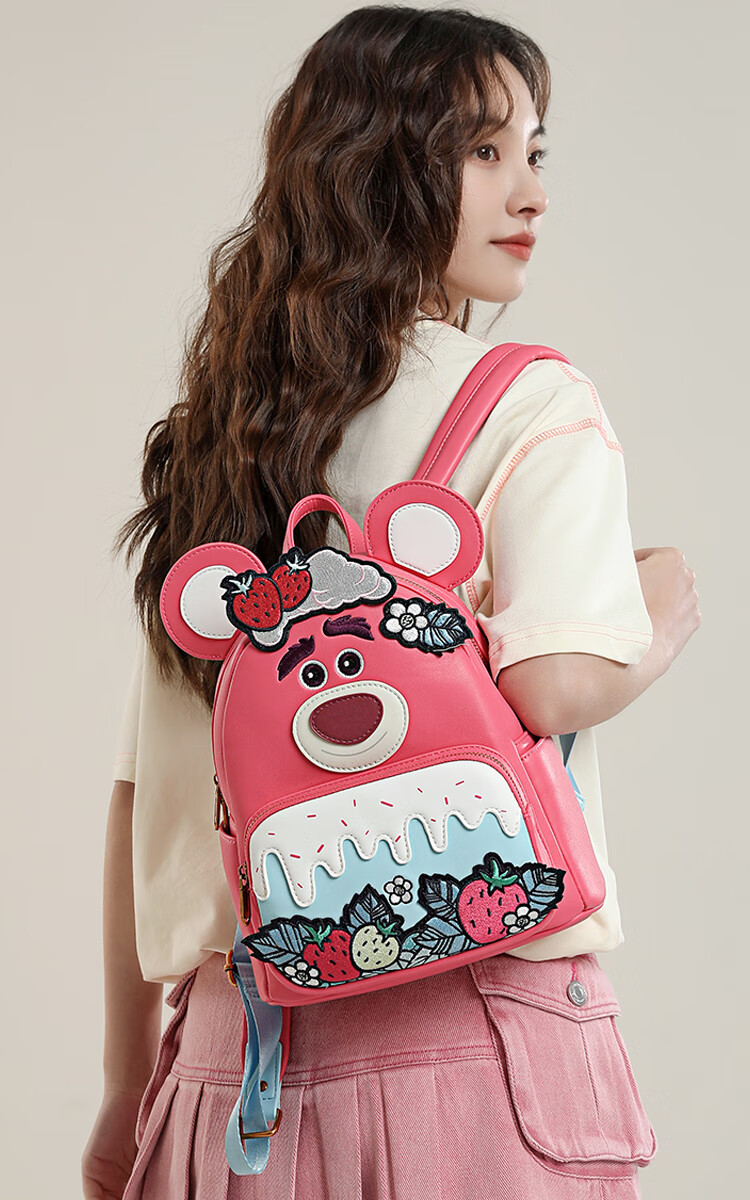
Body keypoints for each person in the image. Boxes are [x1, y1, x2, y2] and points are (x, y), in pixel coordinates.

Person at [82, 6, 700, 1198]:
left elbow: (141, 797)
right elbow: (553, 682)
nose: (531, 194)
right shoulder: (529, 403)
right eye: (484, 151)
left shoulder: (225, 444)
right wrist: (656, 618)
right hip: (472, 1047)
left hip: (228, 1068)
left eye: (534, 152)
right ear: (377, 165)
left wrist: (123, 1089)